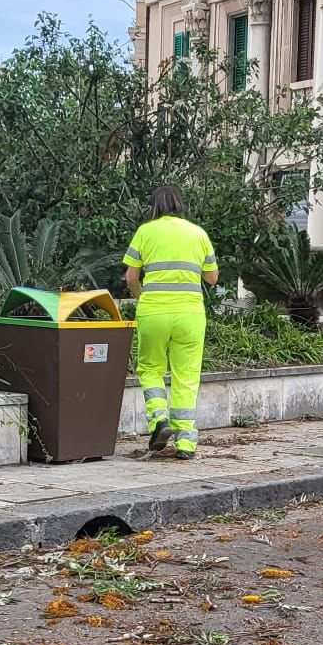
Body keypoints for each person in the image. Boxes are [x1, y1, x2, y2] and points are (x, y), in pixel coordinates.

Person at [124, 185, 219, 458]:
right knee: (186, 376)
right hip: (190, 315)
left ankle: (159, 420)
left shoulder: (145, 231)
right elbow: (212, 278)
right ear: (180, 204)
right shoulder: (198, 234)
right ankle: (186, 443)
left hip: (153, 313)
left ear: (154, 206)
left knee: (151, 369)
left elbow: (131, 277)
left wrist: (142, 297)